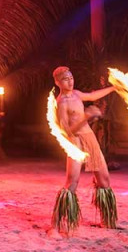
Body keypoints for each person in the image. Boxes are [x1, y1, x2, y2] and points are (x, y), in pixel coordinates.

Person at [50, 66, 118, 233]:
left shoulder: (76, 94)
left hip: (89, 138)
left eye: (71, 77)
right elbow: (68, 131)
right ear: (57, 82)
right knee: (72, 182)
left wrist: (115, 87)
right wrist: (86, 117)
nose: (70, 81)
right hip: (75, 141)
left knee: (104, 179)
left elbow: (93, 95)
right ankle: (58, 225)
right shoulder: (61, 103)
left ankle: (106, 220)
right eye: (65, 79)